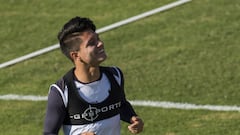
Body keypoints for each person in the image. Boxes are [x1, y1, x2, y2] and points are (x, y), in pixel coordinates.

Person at [43, 16, 144, 135]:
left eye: (98, 39)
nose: (100, 44)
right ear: (76, 55)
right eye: (92, 43)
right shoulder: (61, 92)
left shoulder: (115, 76)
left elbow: (120, 104)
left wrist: (132, 118)